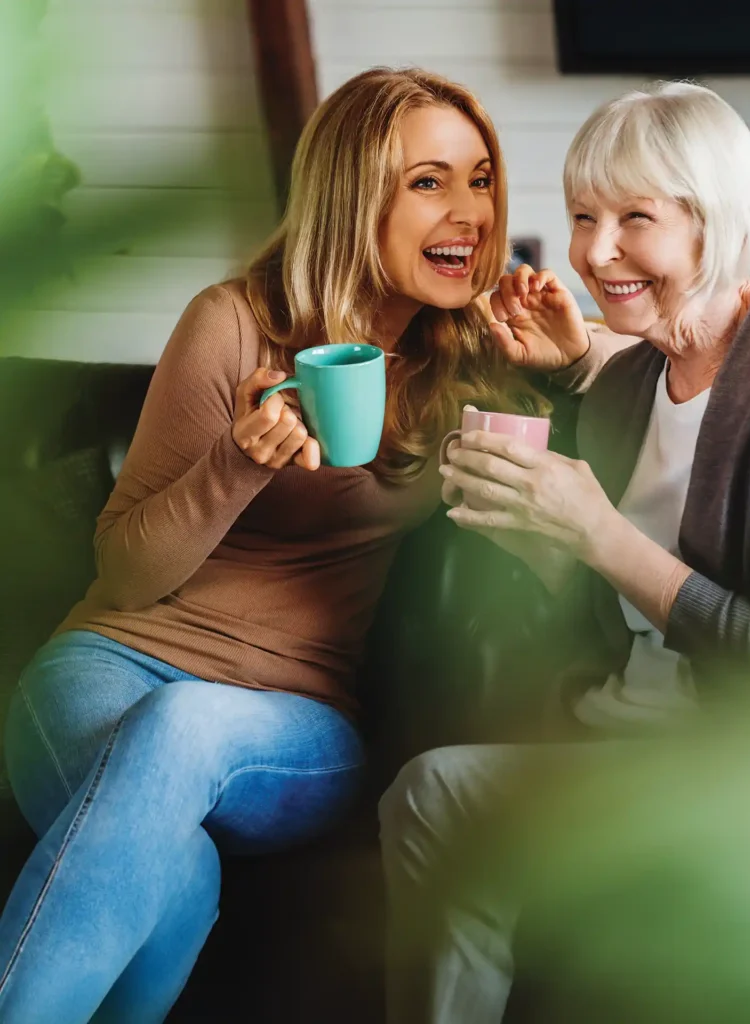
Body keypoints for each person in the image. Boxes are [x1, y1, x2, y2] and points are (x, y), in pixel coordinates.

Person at [0, 66, 543, 1023]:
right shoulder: (233, 323)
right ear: (351, 194)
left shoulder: (473, 356)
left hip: (292, 724)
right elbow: (125, 573)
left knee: (183, 731)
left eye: (481, 178)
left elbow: (623, 437)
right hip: (108, 666)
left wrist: (571, 365)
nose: (467, 212)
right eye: (428, 181)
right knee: (176, 864)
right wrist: (236, 467)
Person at [379, 80, 750, 1024]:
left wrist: (595, 529)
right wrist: (537, 536)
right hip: (633, 734)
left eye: (637, 217)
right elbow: (611, 603)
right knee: (429, 792)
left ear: (715, 225)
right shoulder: (633, 379)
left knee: (443, 799)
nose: (596, 252)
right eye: (585, 215)